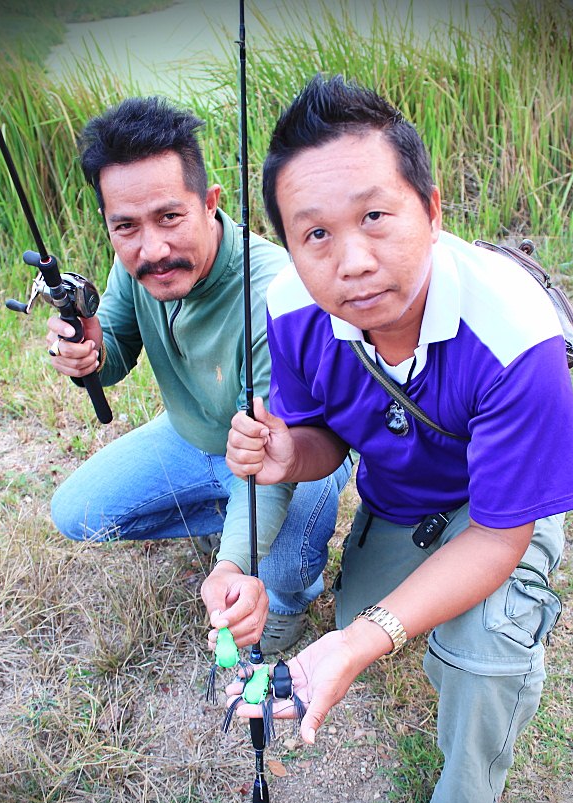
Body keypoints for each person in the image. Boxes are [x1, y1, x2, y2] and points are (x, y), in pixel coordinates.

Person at [223, 75, 573, 803]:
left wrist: (362, 640)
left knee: (481, 650)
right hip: (400, 501)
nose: (351, 260)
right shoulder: (290, 304)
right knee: (373, 619)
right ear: (289, 243)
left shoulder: (515, 331)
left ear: (431, 205)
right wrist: (287, 452)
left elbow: (496, 537)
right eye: (315, 233)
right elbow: (320, 439)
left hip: (500, 512)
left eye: (375, 216)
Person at [46, 95, 351, 655]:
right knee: (77, 514)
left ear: (209, 202)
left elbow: (271, 459)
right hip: (192, 437)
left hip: (288, 453)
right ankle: (230, 521)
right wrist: (87, 352)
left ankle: (293, 588)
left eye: (170, 217)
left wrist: (231, 563)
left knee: (277, 571)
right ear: (110, 225)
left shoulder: (275, 296)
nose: (152, 249)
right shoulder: (133, 260)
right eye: (126, 226)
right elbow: (113, 351)